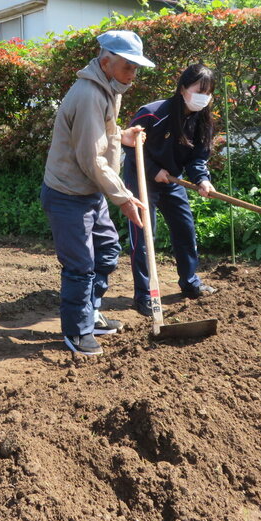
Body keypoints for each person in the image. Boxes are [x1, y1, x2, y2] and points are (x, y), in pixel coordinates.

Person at [40, 30, 152, 356]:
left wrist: (124, 137)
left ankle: (90, 311)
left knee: (106, 251)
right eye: (128, 67)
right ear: (106, 62)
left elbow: (104, 136)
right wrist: (123, 197)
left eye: (135, 68)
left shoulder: (109, 88)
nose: (133, 75)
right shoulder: (89, 95)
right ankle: (76, 332)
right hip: (68, 194)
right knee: (80, 265)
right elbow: (90, 159)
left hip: (90, 191)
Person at [123, 63, 219, 317]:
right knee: (144, 235)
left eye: (208, 93)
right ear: (182, 88)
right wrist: (153, 169)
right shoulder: (153, 113)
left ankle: (190, 282)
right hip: (142, 177)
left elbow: (198, 158)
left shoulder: (202, 121)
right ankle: (143, 295)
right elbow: (130, 146)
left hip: (173, 179)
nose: (204, 97)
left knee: (185, 228)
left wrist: (202, 179)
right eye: (199, 90)